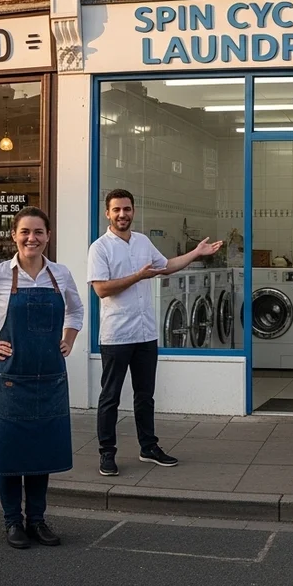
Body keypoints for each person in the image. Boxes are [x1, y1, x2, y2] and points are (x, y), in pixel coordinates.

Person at [0, 207, 84, 549]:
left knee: (41, 454)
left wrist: (68, 338)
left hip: (50, 378)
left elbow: (77, 309)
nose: (31, 238)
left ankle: (36, 520)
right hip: (9, 379)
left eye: (38, 232)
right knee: (9, 454)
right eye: (25, 232)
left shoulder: (61, 274)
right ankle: (13, 522)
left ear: (48, 236)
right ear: (14, 235)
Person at [88, 189, 222, 477]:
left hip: (145, 332)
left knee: (145, 395)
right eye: (116, 210)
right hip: (117, 335)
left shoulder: (142, 242)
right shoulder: (100, 248)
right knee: (110, 396)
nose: (122, 214)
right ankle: (107, 453)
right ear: (107, 213)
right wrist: (138, 276)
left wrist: (197, 253)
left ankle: (148, 447)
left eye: (127, 209)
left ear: (133, 211)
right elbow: (100, 289)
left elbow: (166, 266)